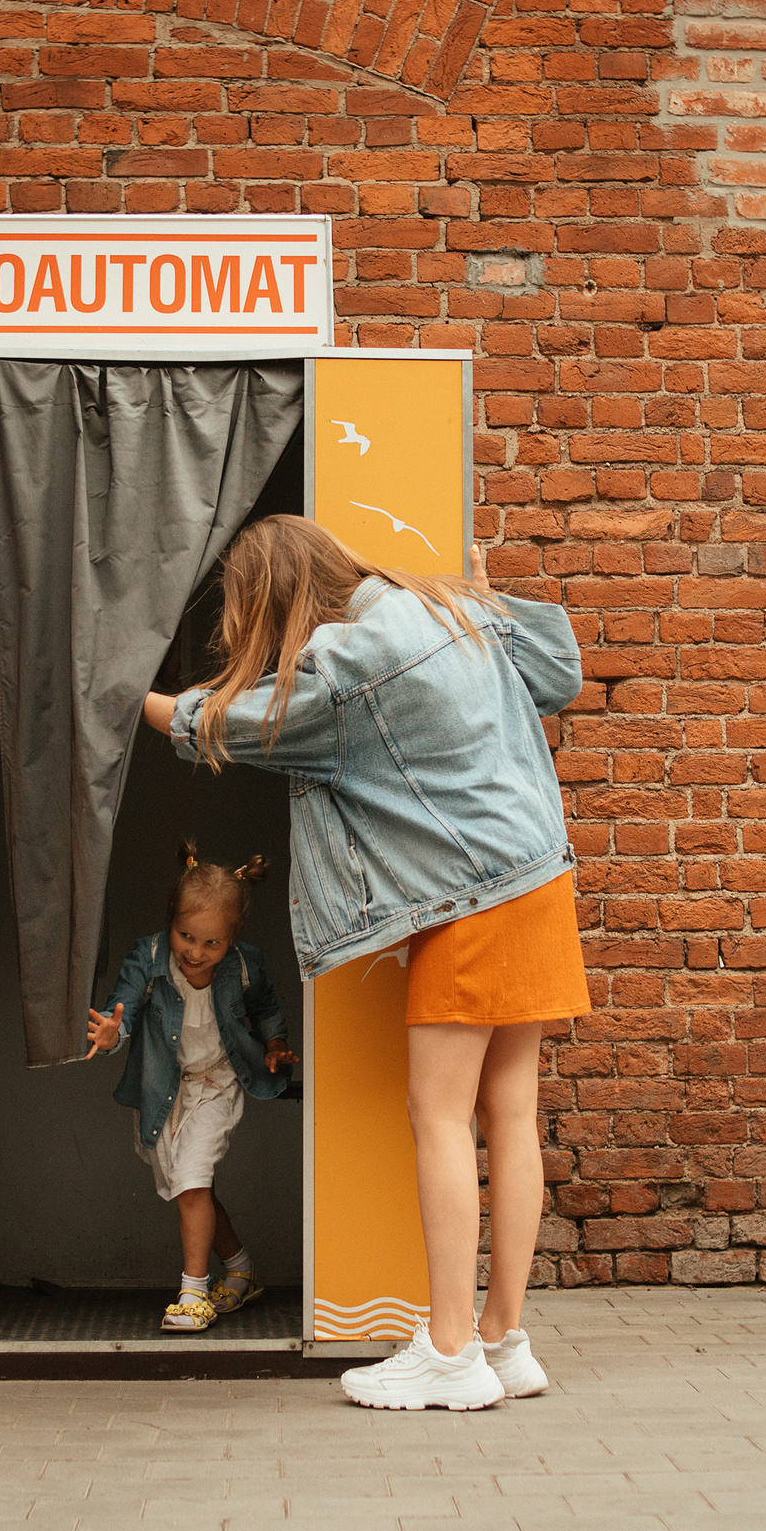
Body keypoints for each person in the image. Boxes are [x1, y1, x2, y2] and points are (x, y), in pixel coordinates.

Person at [140, 514, 586, 1411]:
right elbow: (561, 673)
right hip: (541, 876)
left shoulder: (346, 666)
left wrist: (117, 691)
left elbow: (224, 726)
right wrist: (484, 592)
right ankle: (504, 1339)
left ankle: (451, 1351)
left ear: (275, 599)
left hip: (471, 902)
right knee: (513, 1115)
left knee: (438, 1116)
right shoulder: (446, 609)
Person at [85, 845, 298, 1332]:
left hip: (217, 1085)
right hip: (163, 1089)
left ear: (232, 939)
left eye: (211, 944)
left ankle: (193, 1294)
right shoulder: (150, 956)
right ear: (171, 923)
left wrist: (276, 1042)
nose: (196, 952)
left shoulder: (244, 964)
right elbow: (123, 1007)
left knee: (192, 1183)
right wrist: (113, 1033)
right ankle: (240, 1269)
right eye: (186, 936)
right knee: (189, 1188)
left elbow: (266, 1005)